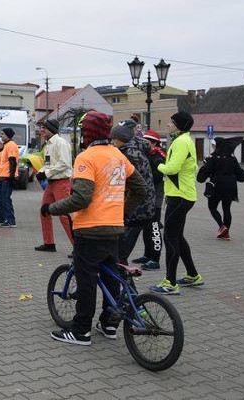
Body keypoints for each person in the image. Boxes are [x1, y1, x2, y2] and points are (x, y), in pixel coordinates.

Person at [44, 111, 148, 346]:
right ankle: (109, 324)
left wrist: (52, 208)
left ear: (86, 133)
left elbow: (81, 198)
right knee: (111, 276)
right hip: (114, 228)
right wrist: (121, 210)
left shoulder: (86, 157)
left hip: (90, 229)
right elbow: (141, 189)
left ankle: (81, 331)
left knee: (87, 279)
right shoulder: (118, 156)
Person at [150, 111, 203, 295]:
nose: (168, 125)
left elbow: (172, 169)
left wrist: (157, 163)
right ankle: (193, 275)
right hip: (182, 195)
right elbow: (190, 166)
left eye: (171, 122)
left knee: (170, 238)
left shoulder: (180, 142)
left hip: (179, 197)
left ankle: (170, 282)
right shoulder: (186, 139)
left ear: (178, 125)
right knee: (178, 237)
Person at [111, 120, 155, 266]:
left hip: (137, 209)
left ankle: (128, 287)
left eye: (113, 139)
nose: (111, 141)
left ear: (120, 139)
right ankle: (127, 286)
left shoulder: (129, 154)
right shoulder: (131, 150)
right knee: (120, 252)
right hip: (140, 207)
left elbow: (132, 184)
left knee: (120, 253)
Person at [197, 136, 244, 240]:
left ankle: (222, 226)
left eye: (213, 145)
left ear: (217, 145)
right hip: (230, 186)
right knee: (227, 209)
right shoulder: (232, 158)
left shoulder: (212, 157)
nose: (212, 147)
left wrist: (204, 167)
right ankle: (226, 233)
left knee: (212, 207)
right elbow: (240, 173)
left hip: (216, 186)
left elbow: (203, 175)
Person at [34, 119, 74, 250]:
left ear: (50, 129)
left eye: (44, 128)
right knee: (44, 211)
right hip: (52, 183)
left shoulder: (61, 143)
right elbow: (48, 164)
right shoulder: (48, 144)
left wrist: (46, 173)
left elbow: (64, 164)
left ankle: (78, 247)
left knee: (64, 215)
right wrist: (40, 172)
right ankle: (49, 243)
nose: (41, 131)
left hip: (61, 183)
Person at [132, 130, 166, 270]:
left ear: (153, 143)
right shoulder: (146, 155)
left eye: (147, 142)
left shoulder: (158, 157)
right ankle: (147, 255)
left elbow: (157, 177)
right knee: (146, 229)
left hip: (155, 199)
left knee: (154, 228)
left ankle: (155, 259)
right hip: (146, 200)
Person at [0, 128, 19, 228]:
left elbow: (12, 162)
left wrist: (11, 177)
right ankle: (1, 218)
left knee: (5, 199)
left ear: (8, 135)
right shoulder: (6, 145)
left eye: (3, 134)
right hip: (2, 176)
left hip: (7, 177)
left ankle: (11, 220)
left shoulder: (11, 145)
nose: (1, 135)